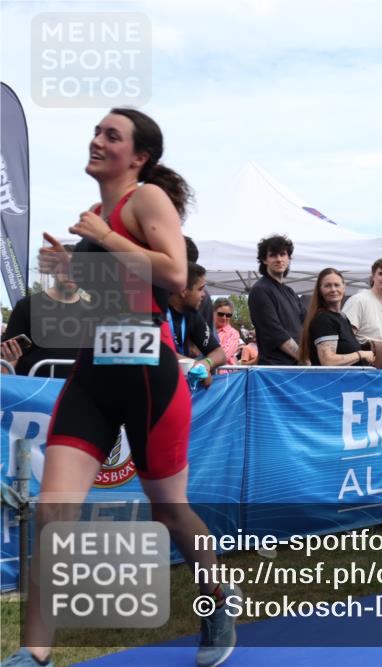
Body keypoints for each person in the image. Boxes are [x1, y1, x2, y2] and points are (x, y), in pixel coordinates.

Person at [1, 108, 238, 667]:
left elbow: (175, 276)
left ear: (139, 157)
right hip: (93, 376)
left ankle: (220, 598)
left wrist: (104, 236)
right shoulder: (95, 214)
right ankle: (33, 652)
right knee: (52, 510)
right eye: (96, 132)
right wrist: (64, 274)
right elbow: (98, 302)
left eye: (113, 135)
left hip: (147, 378)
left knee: (170, 511)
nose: (97, 141)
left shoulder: (146, 200)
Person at [1, 244, 88, 378]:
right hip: (32, 393)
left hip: (74, 394)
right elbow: (10, 359)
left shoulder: (93, 311)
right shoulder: (26, 306)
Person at [166, 262, 227, 386]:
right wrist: (193, 364)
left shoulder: (192, 314)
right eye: (200, 289)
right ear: (183, 291)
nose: (204, 294)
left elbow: (220, 353)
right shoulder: (156, 310)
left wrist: (206, 363)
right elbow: (161, 352)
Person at [298, 268, 375, 367]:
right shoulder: (323, 319)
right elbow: (328, 361)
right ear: (320, 290)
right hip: (332, 381)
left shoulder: (343, 317)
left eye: (337, 285)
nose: (333, 289)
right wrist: (361, 354)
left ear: (344, 287)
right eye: (327, 286)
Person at [248, 235, 306, 366]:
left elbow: (307, 322)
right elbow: (275, 332)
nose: (279, 259)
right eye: (273, 255)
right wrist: (303, 358)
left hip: (295, 366)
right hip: (275, 370)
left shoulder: (290, 292)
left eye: (282, 254)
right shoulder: (260, 290)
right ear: (264, 259)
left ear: (289, 257)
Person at [341, 257, 382, 351]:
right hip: (364, 363)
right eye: (381, 274)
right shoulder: (358, 301)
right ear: (373, 276)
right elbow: (345, 339)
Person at [212, 297, 241, 367]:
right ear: (213, 312)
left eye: (228, 315)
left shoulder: (233, 333)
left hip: (223, 375)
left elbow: (225, 355)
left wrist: (205, 361)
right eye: (221, 314)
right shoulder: (205, 328)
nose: (224, 318)